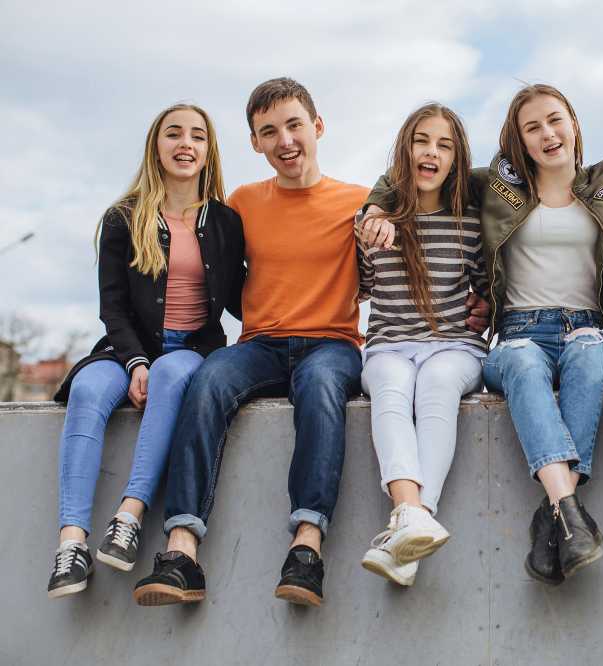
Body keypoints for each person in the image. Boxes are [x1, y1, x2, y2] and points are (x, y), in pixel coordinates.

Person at [360, 83, 603, 585]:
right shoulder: (495, 187)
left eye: (555, 120)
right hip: (519, 332)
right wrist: (375, 207)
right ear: (519, 141)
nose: (547, 134)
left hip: (588, 327)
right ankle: (569, 507)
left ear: (573, 123)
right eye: (532, 128)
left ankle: (557, 512)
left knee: (592, 361)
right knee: (524, 366)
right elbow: (409, 173)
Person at [132, 78, 487, 608]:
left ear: (317, 127)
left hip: (331, 343)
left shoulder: (359, 203)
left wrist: (478, 302)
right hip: (260, 343)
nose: (285, 140)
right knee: (207, 382)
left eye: (295, 125)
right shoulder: (243, 204)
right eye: (268, 132)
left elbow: (410, 230)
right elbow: (213, 274)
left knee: (322, 390)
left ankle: (307, 548)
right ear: (255, 142)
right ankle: (182, 549)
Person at [47, 104, 244, 598]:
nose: (185, 143)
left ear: (208, 150)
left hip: (192, 347)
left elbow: (245, 295)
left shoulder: (224, 221)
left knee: (171, 379)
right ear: (156, 146)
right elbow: (111, 305)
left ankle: (129, 516)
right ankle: (71, 542)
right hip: (125, 347)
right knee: (89, 390)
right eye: (173, 134)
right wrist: (134, 360)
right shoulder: (123, 217)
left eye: (197, 136)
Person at [357, 103, 488, 587]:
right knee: (391, 385)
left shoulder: (470, 224)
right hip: (388, 344)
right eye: (422, 141)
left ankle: (409, 517)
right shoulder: (369, 222)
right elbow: (362, 287)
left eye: (444, 145)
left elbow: (486, 292)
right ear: (405, 150)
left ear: (457, 159)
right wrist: (376, 228)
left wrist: (487, 309)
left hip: (455, 346)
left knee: (435, 384)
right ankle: (412, 529)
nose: (431, 152)